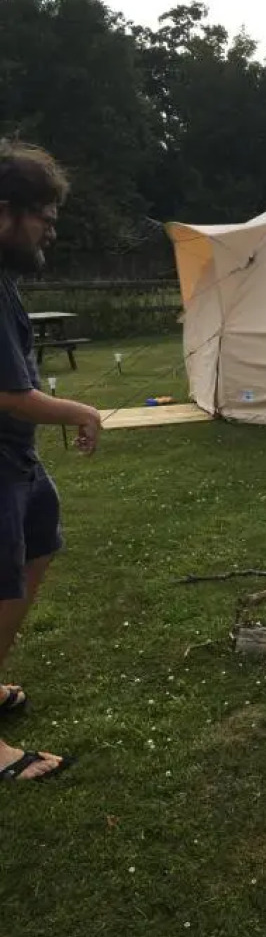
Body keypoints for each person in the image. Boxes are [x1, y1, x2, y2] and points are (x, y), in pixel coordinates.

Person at [0, 141, 101, 782]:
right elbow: (10, 394)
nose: (51, 230)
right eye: (44, 216)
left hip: (16, 462)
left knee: (38, 544)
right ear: (5, 211)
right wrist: (81, 411)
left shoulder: (4, 282)